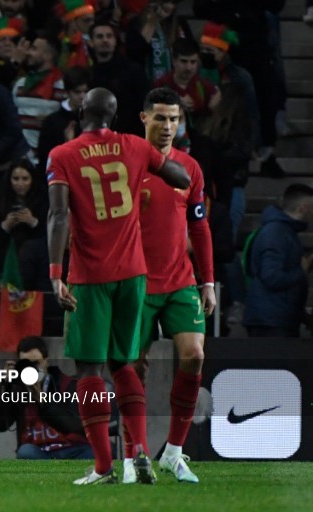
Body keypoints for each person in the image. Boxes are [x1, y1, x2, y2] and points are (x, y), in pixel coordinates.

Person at [46, 87, 190, 485]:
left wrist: (56, 272)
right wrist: (156, 166)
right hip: (134, 274)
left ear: (80, 111)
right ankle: (140, 449)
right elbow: (179, 176)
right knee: (124, 364)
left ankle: (105, 467)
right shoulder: (133, 146)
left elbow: (58, 216)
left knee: (89, 370)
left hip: (90, 277)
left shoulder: (63, 155)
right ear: (114, 115)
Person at [129, 87, 216, 484]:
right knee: (133, 367)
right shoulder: (128, 163)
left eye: (174, 119)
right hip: (135, 282)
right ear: (143, 117)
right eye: (160, 118)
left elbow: (199, 226)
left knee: (195, 356)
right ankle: (137, 454)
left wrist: (208, 281)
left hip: (181, 280)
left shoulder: (190, 168)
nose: (167, 127)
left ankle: (175, 453)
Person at [0, 336, 92, 460]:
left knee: (90, 452)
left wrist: (42, 401)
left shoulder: (67, 384)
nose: (32, 368)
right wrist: (4, 385)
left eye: (36, 363)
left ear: (46, 362)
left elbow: (74, 426)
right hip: (37, 451)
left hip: (69, 448)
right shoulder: (18, 389)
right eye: (27, 364)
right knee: (25, 451)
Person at [243, 184, 313, 338]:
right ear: (304, 208)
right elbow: (271, 277)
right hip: (271, 321)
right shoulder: (278, 233)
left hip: (275, 317)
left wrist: (301, 316)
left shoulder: (283, 232)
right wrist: (301, 271)